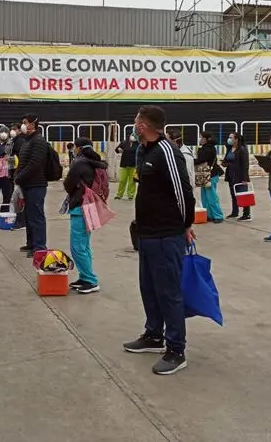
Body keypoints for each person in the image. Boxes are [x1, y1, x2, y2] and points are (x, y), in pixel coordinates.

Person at [122, 106, 196, 376]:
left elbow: (183, 191)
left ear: (143, 125)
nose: (133, 125)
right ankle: (154, 335)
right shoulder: (145, 150)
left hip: (167, 234)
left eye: (136, 121)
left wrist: (185, 225)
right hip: (147, 234)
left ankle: (176, 350)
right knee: (149, 288)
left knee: (168, 293)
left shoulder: (167, 151)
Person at [63, 137, 109, 294]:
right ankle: (84, 277)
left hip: (80, 207)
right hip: (91, 205)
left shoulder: (79, 163)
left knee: (77, 247)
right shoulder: (96, 162)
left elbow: (68, 184)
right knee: (84, 245)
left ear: (78, 148)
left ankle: (90, 280)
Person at [15, 113, 50, 258]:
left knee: (37, 216)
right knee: (29, 216)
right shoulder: (27, 141)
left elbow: (34, 165)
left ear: (32, 124)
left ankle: (40, 247)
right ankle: (31, 243)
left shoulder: (38, 141)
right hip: (27, 184)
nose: (23, 125)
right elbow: (23, 162)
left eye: (25, 122)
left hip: (36, 185)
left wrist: (19, 177)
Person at [196, 132, 225, 223]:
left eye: (201, 137)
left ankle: (218, 216)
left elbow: (201, 159)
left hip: (210, 174)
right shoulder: (205, 148)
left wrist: (189, 160)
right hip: (205, 174)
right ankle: (208, 215)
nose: (200, 139)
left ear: (207, 139)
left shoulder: (209, 149)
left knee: (212, 196)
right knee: (204, 197)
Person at [222, 132, 252, 221]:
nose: (229, 139)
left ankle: (246, 214)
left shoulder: (242, 149)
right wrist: (224, 163)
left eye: (231, 138)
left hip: (240, 175)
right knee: (233, 194)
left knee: (243, 195)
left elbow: (245, 164)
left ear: (236, 139)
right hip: (231, 175)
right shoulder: (230, 148)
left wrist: (245, 178)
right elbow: (227, 159)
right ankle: (235, 212)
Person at [7, 123, 27, 231]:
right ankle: (20, 220)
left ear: (19, 130)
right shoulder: (13, 141)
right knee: (17, 198)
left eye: (14, 129)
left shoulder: (20, 141)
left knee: (19, 199)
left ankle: (21, 222)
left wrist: (17, 174)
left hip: (19, 174)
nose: (12, 131)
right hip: (15, 172)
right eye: (11, 129)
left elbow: (19, 158)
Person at [115, 134, 139, 200]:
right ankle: (119, 195)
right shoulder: (124, 142)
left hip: (133, 165)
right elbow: (116, 150)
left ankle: (130, 195)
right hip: (124, 164)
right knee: (122, 180)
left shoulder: (138, 144)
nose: (133, 138)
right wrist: (118, 149)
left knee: (132, 181)